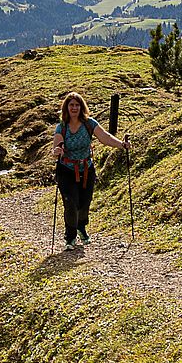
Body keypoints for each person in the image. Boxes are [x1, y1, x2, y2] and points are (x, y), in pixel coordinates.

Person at [51, 91, 130, 252]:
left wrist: (121, 145)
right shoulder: (62, 127)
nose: (74, 108)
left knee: (84, 203)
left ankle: (81, 227)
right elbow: (57, 146)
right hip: (66, 170)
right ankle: (70, 237)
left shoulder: (89, 123)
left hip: (86, 169)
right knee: (71, 203)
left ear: (82, 107)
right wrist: (57, 151)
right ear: (66, 108)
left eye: (77, 105)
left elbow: (105, 137)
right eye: (71, 105)